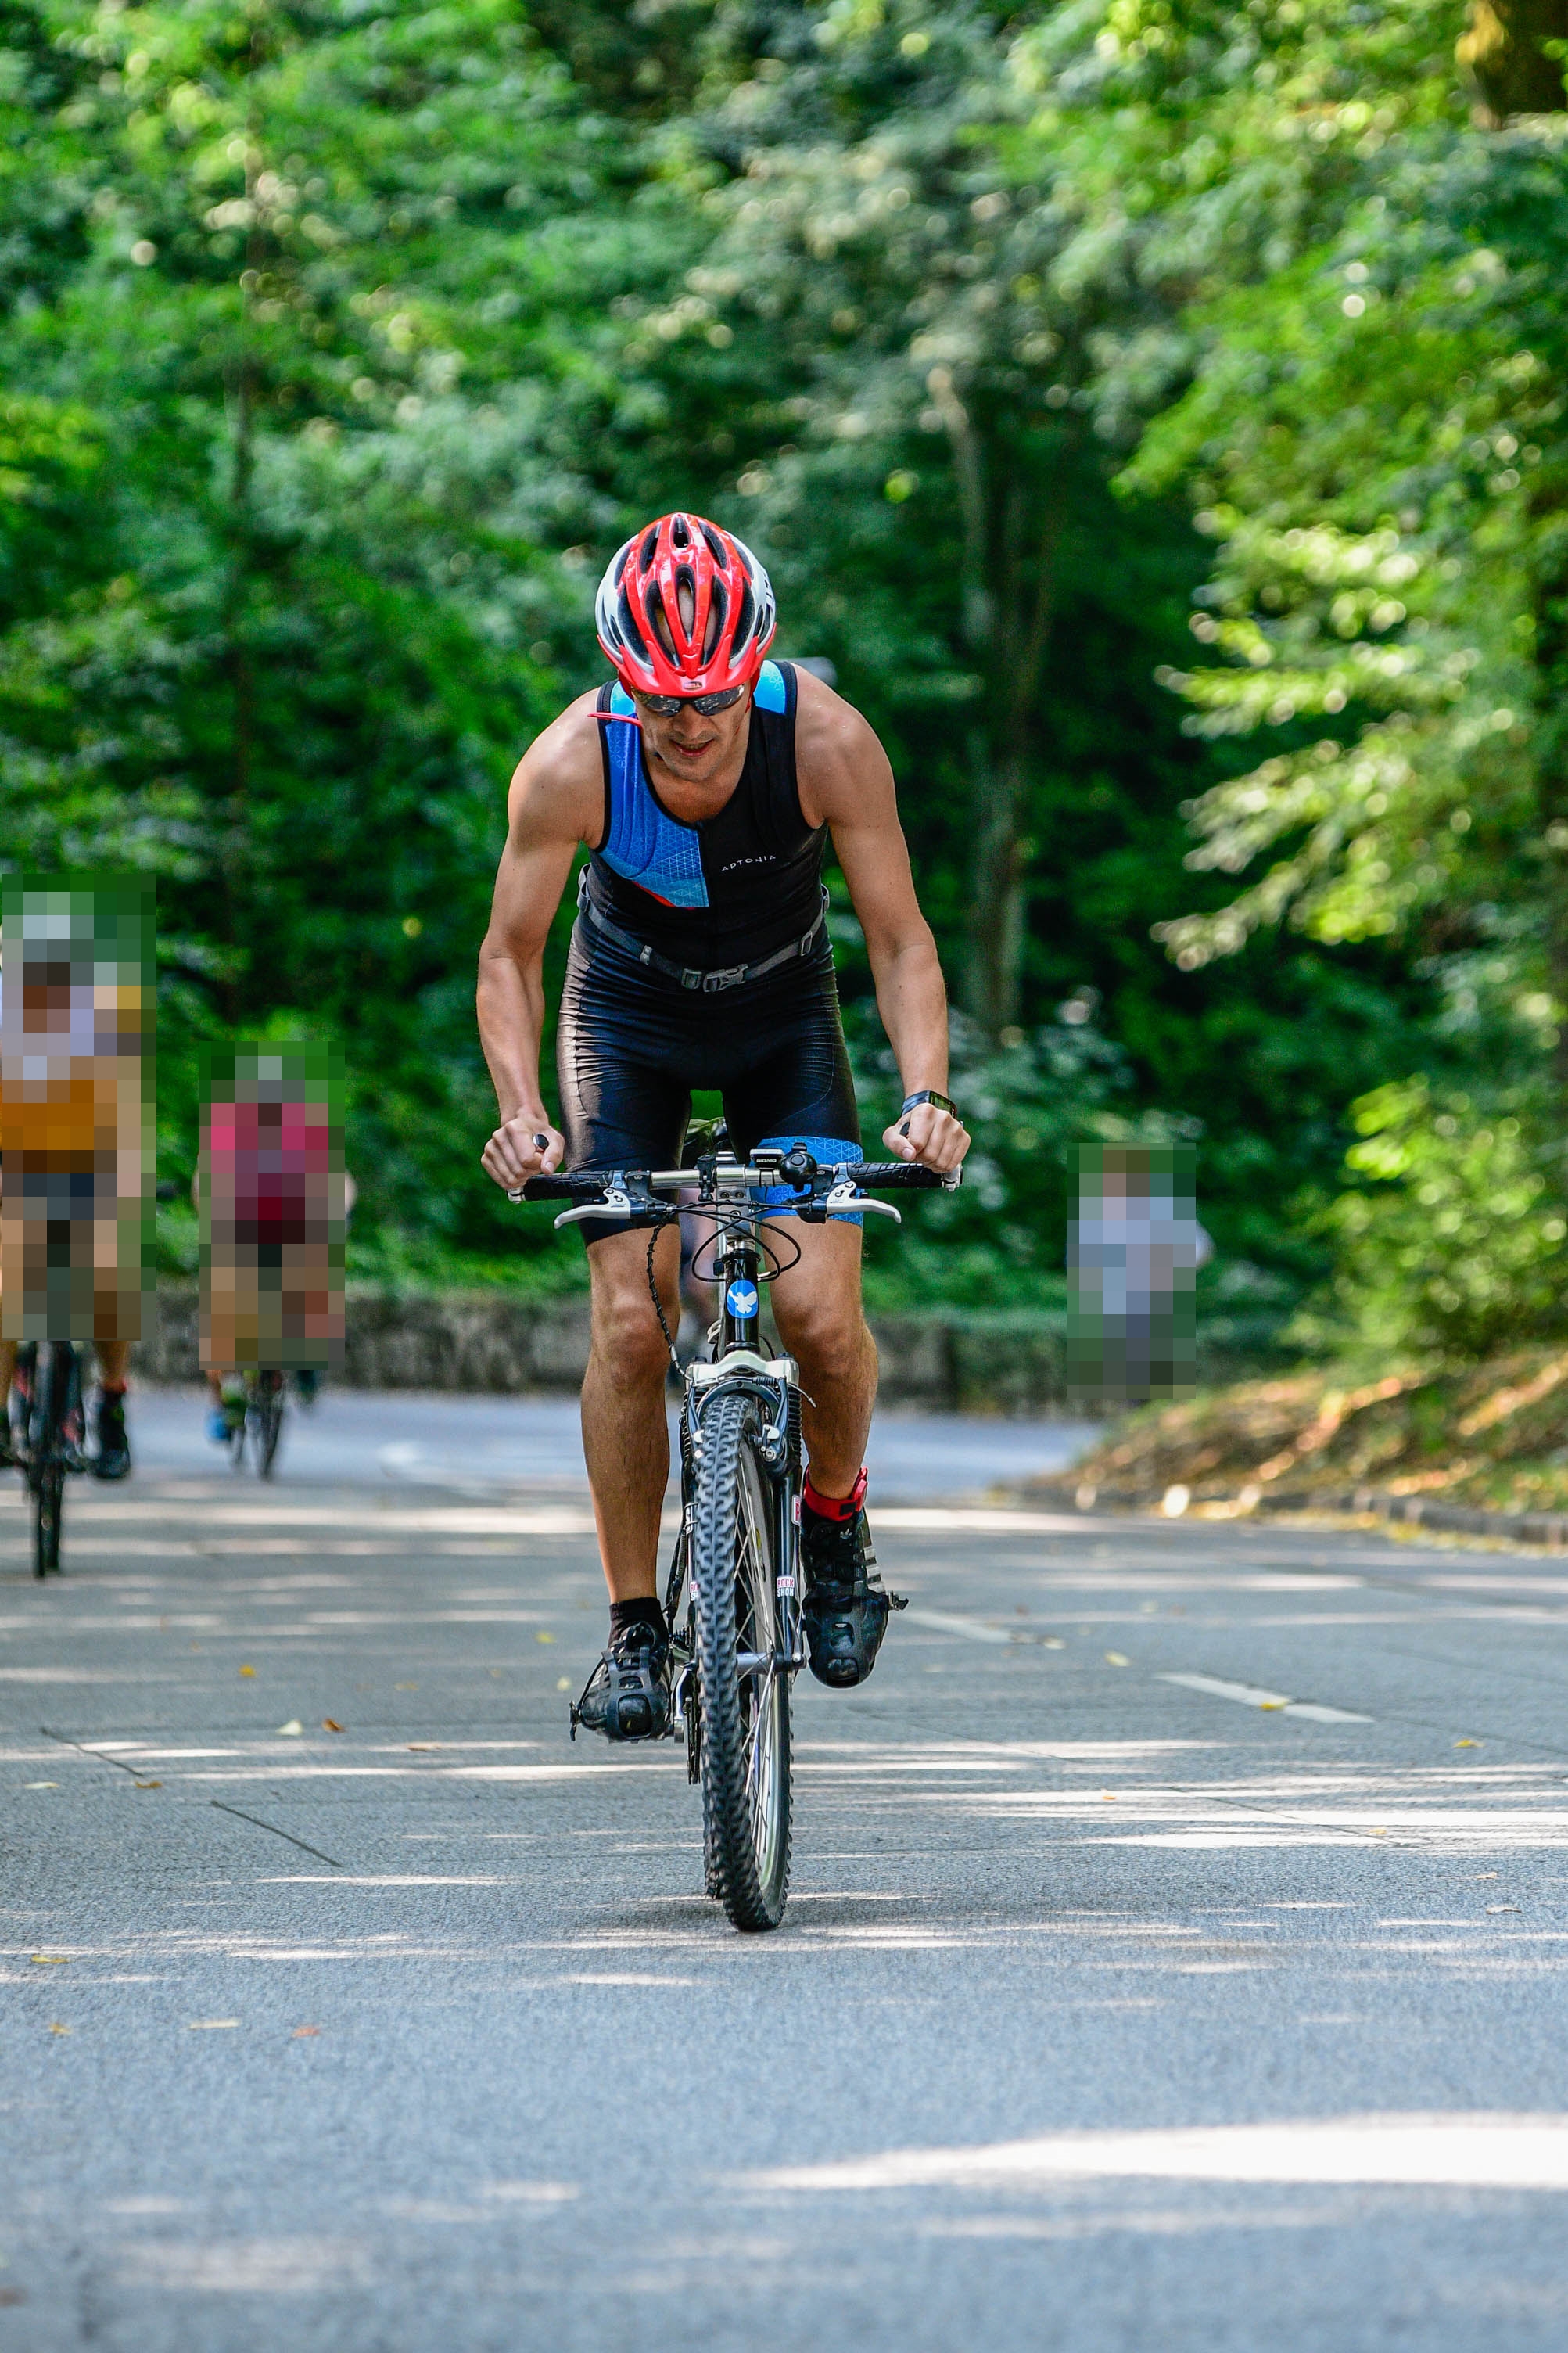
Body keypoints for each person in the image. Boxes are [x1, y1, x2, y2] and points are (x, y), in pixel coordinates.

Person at [476, 512, 969, 1740]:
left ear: (752, 665)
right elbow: (509, 956)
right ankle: (636, 1632)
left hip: (781, 1021)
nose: (688, 722)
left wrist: (925, 1094)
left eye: (711, 695)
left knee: (819, 1318)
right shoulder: (569, 765)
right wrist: (524, 1114)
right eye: (659, 697)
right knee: (631, 1329)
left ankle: (833, 1521)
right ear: (620, 675)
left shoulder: (828, 742)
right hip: (625, 1021)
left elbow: (902, 941)